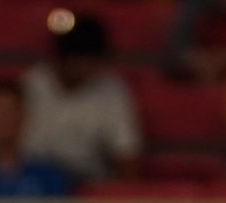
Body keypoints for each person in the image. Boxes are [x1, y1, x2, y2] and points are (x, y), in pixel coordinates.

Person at [21, 13, 141, 181]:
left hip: (88, 182)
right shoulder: (32, 85)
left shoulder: (112, 90)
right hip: (34, 183)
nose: (84, 68)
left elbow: (126, 154)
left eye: (91, 62)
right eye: (78, 60)